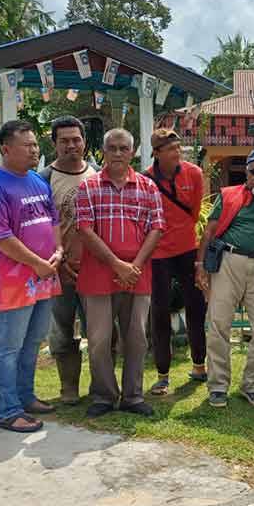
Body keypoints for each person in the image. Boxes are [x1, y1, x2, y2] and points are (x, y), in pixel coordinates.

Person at [0, 120, 62, 433]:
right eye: (27, 146)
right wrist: (38, 262)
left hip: (44, 277)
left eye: (35, 145)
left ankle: (25, 396)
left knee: (33, 342)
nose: (34, 150)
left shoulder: (39, 182)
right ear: (6, 149)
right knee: (8, 345)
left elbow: (53, 221)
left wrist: (59, 251)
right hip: (11, 282)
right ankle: (8, 410)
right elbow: (1, 237)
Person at [75, 129, 164, 418]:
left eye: (123, 148)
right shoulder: (88, 187)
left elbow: (156, 227)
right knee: (99, 339)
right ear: (103, 151)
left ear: (133, 151)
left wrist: (133, 266)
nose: (117, 153)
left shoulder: (148, 187)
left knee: (137, 338)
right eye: (111, 147)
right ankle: (103, 395)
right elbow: (85, 230)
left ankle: (133, 396)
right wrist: (118, 265)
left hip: (139, 273)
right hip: (99, 273)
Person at [196, 146, 254, 408]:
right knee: (218, 324)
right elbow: (209, 232)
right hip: (228, 264)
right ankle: (218, 386)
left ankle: (252, 384)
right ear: (246, 173)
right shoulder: (229, 195)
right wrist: (200, 265)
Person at [144, 128, 208, 396]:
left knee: (196, 306)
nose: (177, 153)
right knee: (159, 312)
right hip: (158, 254)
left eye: (179, 148)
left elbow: (194, 212)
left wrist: (181, 235)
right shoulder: (145, 179)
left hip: (187, 249)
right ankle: (162, 375)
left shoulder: (193, 173)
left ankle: (199, 365)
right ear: (157, 153)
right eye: (171, 149)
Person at [39, 116, 95, 404]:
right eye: (64, 140)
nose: (71, 145)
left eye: (76, 139)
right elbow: (37, 227)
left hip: (94, 271)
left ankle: (101, 389)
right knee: (60, 332)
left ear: (84, 142)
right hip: (58, 271)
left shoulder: (98, 176)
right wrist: (59, 262)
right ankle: (68, 390)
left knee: (99, 333)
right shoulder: (43, 180)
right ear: (54, 143)